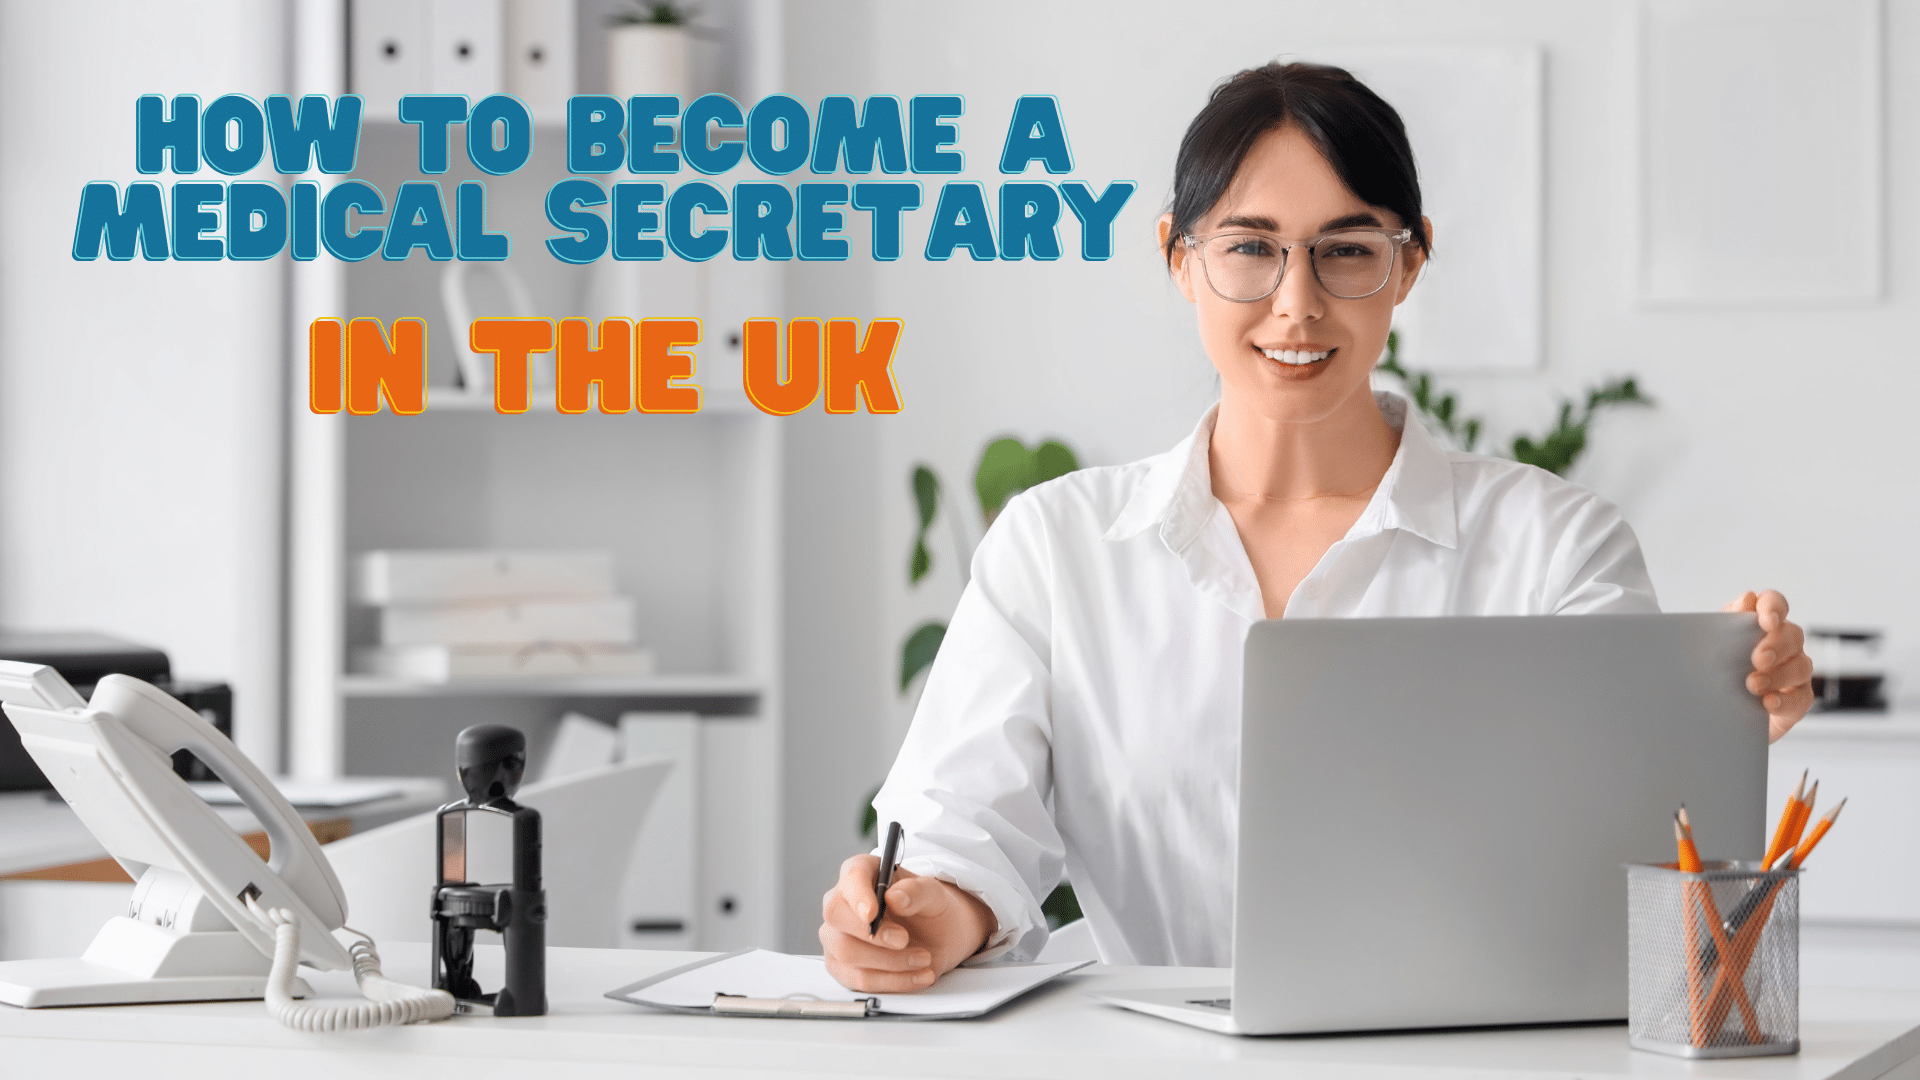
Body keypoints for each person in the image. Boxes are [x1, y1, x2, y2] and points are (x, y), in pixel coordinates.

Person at [818, 62, 1813, 991]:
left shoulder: (1555, 544)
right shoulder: (1056, 546)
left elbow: (1637, 839)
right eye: (1251, 249)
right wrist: (916, 917)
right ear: (1178, 257)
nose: (1296, 304)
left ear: (1409, 263)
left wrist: (1723, 721)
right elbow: (956, 841)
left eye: (1346, 252)